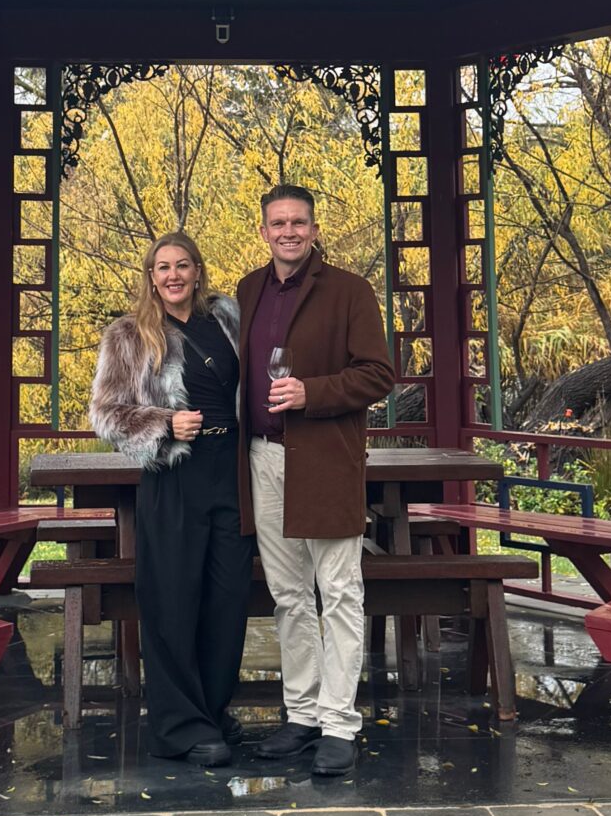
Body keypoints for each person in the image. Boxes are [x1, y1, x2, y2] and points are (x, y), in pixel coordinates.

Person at [236, 185, 394, 776]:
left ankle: (339, 723)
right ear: (263, 231)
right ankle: (301, 714)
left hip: (326, 461)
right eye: (278, 223)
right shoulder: (248, 290)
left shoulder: (350, 291)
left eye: (298, 223)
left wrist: (311, 393)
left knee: (340, 593)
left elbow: (378, 374)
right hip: (263, 459)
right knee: (290, 596)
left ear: (314, 229)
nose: (288, 232)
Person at [88, 232, 251, 767]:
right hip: (175, 475)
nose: (174, 275)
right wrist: (163, 423)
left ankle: (212, 711)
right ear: (151, 277)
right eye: (163, 267)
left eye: (183, 265)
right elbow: (105, 414)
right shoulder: (129, 335)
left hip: (232, 471)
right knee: (173, 600)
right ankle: (180, 727)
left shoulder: (228, 319)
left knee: (227, 599)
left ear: (197, 271)